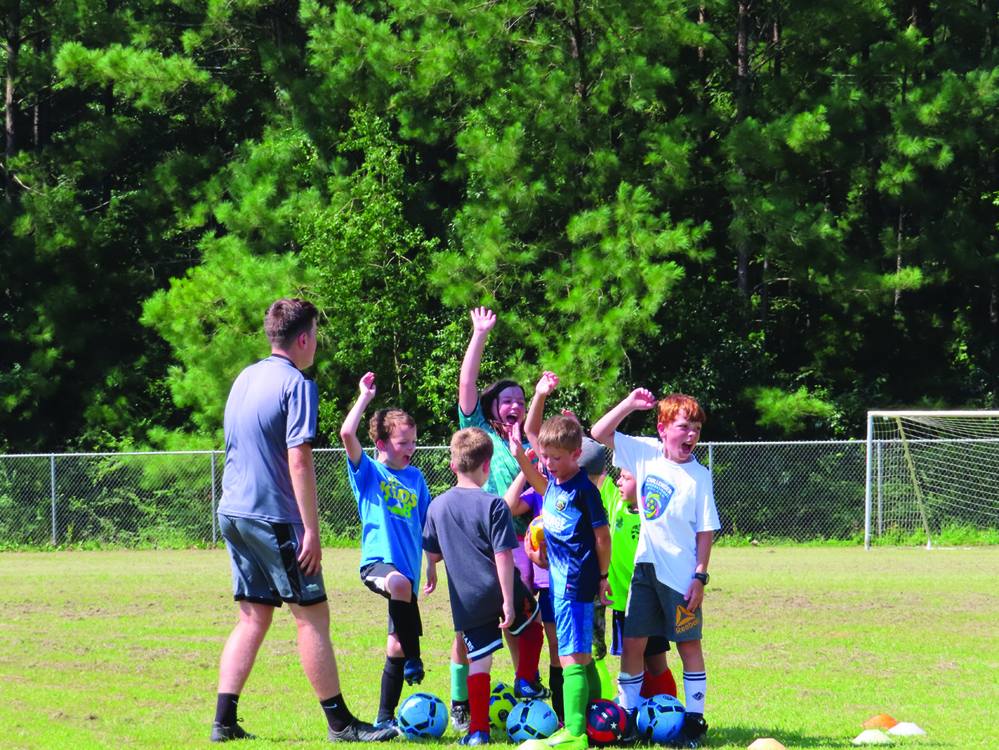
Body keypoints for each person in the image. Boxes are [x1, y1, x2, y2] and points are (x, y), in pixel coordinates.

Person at [212, 298, 396, 744]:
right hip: (273, 516)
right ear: (302, 338)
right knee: (312, 616)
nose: (317, 343)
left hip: (232, 512)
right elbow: (299, 459)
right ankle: (341, 724)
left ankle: (223, 722)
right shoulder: (297, 384)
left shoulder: (245, 377)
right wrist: (310, 530)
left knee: (252, 616)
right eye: (316, 334)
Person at [591, 391, 720, 749]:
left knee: (687, 645)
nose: (692, 435)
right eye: (684, 427)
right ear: (663, 428)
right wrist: (630, 405)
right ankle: (627, 716)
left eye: (696, 428)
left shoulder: (699, 476)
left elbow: (705, 530)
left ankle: (694, 721)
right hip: (643, 572)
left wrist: (700, 576)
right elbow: (599, 431)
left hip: (680, 578)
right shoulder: (644, 452)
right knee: (633, 643)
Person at [422, 427, 544, 746]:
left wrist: (430, 572)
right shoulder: (494, 504)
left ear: (453, 466)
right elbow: (504, 556)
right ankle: (525, 680)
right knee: (533, 625)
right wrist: (507, 600)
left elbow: (432, 552)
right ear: (487, 465)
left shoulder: (436, 506)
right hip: (500, 589)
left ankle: (477, 732)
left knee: (480, 661)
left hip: (466, 599)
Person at [452, 307, 544, 726]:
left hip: (520, 542)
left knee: (518, 619)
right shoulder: (479, 433)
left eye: (520, 402)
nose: (514, 406)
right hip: (476, 539)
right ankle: (461, 702)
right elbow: (467, 382)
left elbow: (536, 495)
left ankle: (526, 687)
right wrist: (479, 334)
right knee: (469, 628)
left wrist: (523, 448)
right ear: (492, 406)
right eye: (507, 401)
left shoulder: (530, 443)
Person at [340, 372, 437, 730]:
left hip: (408, 573)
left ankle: (384, 719)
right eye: (402, 441)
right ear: (381, 444)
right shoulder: (368, 473)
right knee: (398, 586)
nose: (410, 447)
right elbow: (347, 434)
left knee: (395, 644)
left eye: (413, 441)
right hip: (378, 565)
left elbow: (427, 524)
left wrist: (432, 565)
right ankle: (416, 658)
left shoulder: (416, 478)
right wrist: (364, 397)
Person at [520, 414, 612, 750]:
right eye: (545, 457)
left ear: (576, 455)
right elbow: (540, 484)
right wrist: (521, 455)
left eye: (556, 458)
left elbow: (602, 538)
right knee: (581, 654)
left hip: (576, 583)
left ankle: (574, 732)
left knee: (572, 654)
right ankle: (594, 717)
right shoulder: (556, 484)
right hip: (559, 582)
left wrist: (602, 578)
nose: (549, 464)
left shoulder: (585, 490)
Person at [605, 467, 677, 700]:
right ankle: (639, 712)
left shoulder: (656, 518)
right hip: (622, 603)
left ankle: (671, 713)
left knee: (656, 663)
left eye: (626, 478)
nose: (618, 482)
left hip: (649, 603)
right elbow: (588, 455)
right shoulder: (615, 502)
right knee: (635, 661)